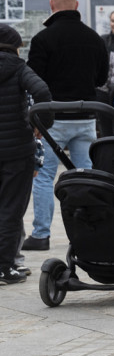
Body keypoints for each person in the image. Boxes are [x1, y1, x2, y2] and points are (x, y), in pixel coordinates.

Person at [24, 0, 109, 252]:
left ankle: (41, 235)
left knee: (45, 176)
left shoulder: (42, 40)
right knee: (85, 175)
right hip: (85, 118)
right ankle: (90, 232)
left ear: (51, 5)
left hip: (52, 121)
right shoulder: (95, 38)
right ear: (77, 6)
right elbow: (102, 79)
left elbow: (32, 81)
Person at [0, 25, 52, 283]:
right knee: (11, 208)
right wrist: (41, 125)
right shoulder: (19, 68)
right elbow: (41, 91)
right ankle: (4, 267)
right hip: (16, 151)